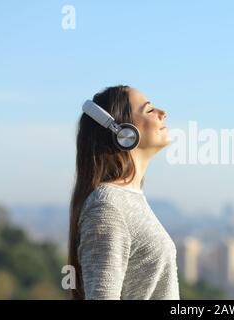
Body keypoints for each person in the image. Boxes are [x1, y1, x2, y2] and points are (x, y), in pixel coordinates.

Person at [68, 85, 179, 299]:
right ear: (124, 133)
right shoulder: (108, 206)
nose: (162, 113)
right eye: (149, 110)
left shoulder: (129, 199)